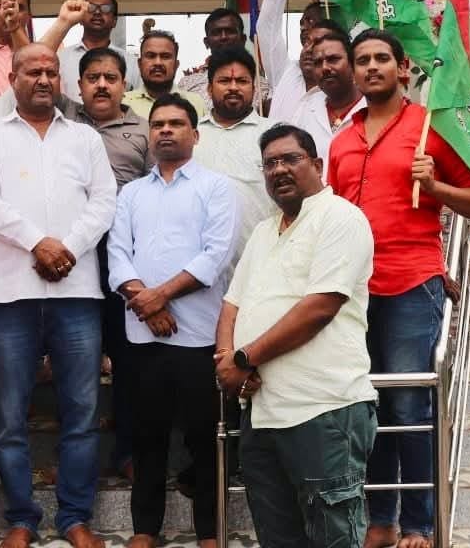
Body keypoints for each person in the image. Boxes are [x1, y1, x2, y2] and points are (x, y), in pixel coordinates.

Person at [327, 30, 470, 548]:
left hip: (410, 282)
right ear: (353, 72)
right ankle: (381, 519)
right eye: (362, 60)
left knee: (407, 406)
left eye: (382, 58)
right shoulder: (341, 139)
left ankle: (419, 524)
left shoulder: (430, 128)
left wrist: (437, 184)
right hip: (354, 290)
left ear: (402, 68)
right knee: (368, 405)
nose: (371, 67)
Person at [0, 43, 117, 548]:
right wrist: (37, 243)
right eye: (33, 71)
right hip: (9, 294)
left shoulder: (85, 138)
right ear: (13, 79)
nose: (45, 79)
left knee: (81, 413)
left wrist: (66, 248)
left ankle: (74, 517)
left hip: (77, 291)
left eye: (52, 71)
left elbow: (104, 202)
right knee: (10, 417)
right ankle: (21, 519)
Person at [216, 124, 378, 548]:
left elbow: (320, 307)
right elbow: (231, 304)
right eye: (270, 163)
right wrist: (227, 358)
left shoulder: (341, 218)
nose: (279, 170)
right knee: (277, 539)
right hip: (262, 414)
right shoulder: (263, 232)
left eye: (291, 159)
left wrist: (245, 358)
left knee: (334, 538)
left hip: (323, 411)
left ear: (317, 165)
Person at [107, 94, 237, 548]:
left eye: (176, 123)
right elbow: (117, 254)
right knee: (147, 438)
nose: (165, 130)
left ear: (195, 135)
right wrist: (148, 304)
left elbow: (216, 256)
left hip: (198, 334)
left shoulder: (216, 188)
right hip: (142, 336)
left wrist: (158, 296)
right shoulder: (131, 193)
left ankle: (209, 532)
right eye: (158, 124)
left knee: (204, 439)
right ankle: (145, 529)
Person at [59, 39, 152, 480]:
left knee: (127, 357)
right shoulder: (63, 121)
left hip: (123, 255)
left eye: (110, 78)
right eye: (92, 78)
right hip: (69, 254)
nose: (101, 85)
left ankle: (128, 450)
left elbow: (156, 192)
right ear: (78, 86)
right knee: (74, 357)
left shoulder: (145, 130)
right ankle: (75, 458)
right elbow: (32, 59)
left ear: (124, 85)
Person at [196, 46, 275, 247]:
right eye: (224, 81)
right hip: (197, 258)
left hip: (259, 256)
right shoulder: (191, 135)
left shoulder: (275, 135)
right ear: (209, 89)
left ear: (254, 89)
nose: (233, 87)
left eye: (242, 81)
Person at [256, 0, 331, 122]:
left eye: (312, 21)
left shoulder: (345, 90)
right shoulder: (284, 74)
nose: (305, 28)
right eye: (302, 23)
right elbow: (267, 26)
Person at [38, 0, 141, 100]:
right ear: (80, 19)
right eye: (91, 7)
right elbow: (32, 61)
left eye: (105, 8)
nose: (97, 12)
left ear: (114, 21)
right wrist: (64, 21)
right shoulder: (60, 58)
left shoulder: (131, 63)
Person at [295, 29, 366, 177]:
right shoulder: (306, 106)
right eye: (317, 63)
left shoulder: (373, 107)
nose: (325, 68)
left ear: (352, 63)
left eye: (333, 59)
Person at [178, 8, 269, 106]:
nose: (223, 37)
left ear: (243, 39)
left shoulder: (263, 88)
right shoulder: (187, 85)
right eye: (216, 33)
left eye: (230, 31)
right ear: (206, 42)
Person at [122, 30, 206, 118]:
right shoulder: (122, 103)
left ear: (176, 65)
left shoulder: (196, 103)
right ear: (139, 64)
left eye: (165, 56)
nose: (158, 63)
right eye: (151, 56)